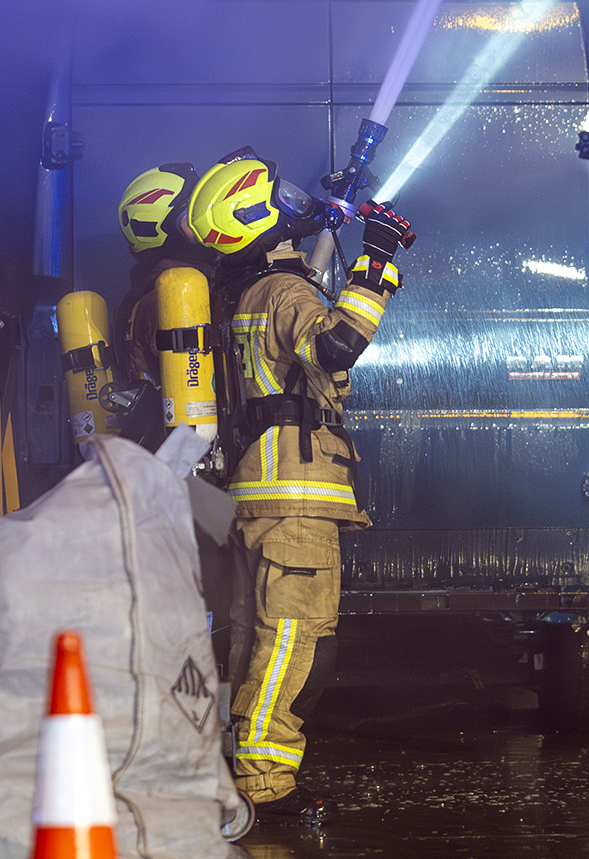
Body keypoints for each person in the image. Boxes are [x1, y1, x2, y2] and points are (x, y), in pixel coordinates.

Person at [184, 150, 414, 820]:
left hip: (257, 497)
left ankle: (234, 772)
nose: (292, 199)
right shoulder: (283, 293)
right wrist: (377, 259)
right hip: (294, 498)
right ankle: (261, 784)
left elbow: (302, 314)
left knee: (255, 638)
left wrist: (334, 220)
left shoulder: (249, 292)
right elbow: (334, 345)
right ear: (256, 213)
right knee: (297, 640)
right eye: (279, 193)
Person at [111, 163, 211, 443]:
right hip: (186, 449)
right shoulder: (171, 296)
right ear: (155, 227)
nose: (207, 223)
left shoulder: (146, 293)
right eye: (191, 217)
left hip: (168, 445)